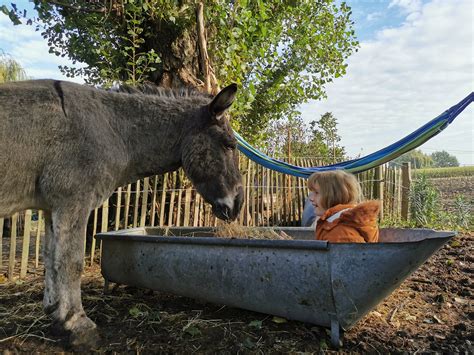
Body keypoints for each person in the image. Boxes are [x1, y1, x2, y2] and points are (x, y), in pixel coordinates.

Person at [307, 170, 380, 243]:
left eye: (316, 193)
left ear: (334, 195)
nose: (311, 198)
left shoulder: (340, 233)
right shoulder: (335, 223)